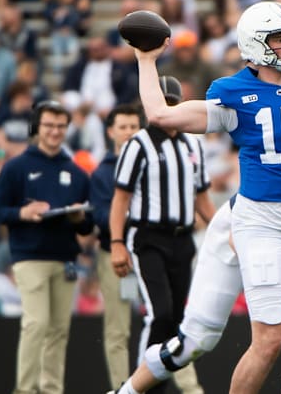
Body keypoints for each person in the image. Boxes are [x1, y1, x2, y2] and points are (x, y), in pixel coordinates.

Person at [113, 1, 281, 394]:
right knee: (265, 339)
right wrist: (147, 61)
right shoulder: (234, 93)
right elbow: (161, 116)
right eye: (280, 38)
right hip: (258, 223)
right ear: (255, 45)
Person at [109, 76, 213, 394]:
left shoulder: (193, 144)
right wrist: (116, 243)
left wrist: (231, 231)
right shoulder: (138, 144)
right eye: (162, 102)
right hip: (148, 238)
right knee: (160, 313)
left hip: (183, 240)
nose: (167, 108)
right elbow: (121, 199)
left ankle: (157, 384)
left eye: (172, 102)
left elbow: (203, 199)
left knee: (179, 317)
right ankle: (137, 388)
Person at [0, 100, 94, 394]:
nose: (55, 132)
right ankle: (25, 389)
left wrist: (78, 218)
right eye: (49, 125)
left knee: (59, 329)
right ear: (36, 128)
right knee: (36, 323)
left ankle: (51, 389)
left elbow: (86, 226)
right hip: (29, 255)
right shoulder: (16, 167)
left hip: (65, 258)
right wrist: (23, 213)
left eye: (61, 126)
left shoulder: (75, 172)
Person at [89, 103, 143, 390]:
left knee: (168, 322)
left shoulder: (151, 163)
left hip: (150, 253)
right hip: (115, 255)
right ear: (111, 132)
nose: (128, 132)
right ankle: (122, 388)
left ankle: (187, 387)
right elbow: (98, 215)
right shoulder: (102, 173)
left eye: (134, 126)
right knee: (117, 329)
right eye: (123, 127)